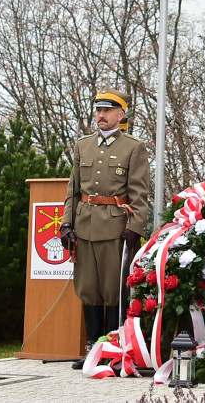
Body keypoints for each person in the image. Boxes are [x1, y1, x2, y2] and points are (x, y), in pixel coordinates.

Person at [59, 88, 150, 368]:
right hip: (84, 227)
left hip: (114, 229)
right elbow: (73, 191)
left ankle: (113, 349)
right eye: (99, 110)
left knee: (114, 291)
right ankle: (92, 348)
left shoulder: (133, 147)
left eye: (107, 110)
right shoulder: (82, 146)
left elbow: (139, 194)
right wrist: (66, 224)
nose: (101, 115)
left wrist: (135, 228)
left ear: (120, 114)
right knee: (88, 288)